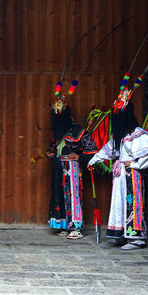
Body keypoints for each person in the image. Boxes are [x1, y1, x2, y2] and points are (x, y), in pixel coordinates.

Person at [88, 101, 148, 250]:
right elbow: (108, 149)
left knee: (132, 204)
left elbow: (147, 154)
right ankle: (121, 235)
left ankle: (136, 238)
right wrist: (94, 160)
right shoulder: (120, 136)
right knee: (119, 204)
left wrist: (135, 164)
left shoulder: (138, 134)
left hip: (132, 176)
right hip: (120, 176)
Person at [47, 95, 98, 239]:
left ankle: (76, 227)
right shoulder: (57, 134)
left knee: (73, 196)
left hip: (72, 168)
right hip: (58, 167)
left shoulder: (79, 132)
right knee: (58, 195)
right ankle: (63, 225)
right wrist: (51, 154)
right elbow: (54, 148)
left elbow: (92, 150)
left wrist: (80, 158)